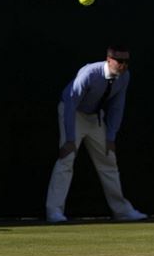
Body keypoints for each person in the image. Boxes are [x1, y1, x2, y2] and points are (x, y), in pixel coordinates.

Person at [45, 44, 147, 223]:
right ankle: (54, 211)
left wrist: (111, 136)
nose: (123, 65)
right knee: (66, 159)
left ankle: (122, 211)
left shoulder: (124, 77)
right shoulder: (89, 73)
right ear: (109, 60)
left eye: (126, 62)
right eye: (120, 61)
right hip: (72, 113)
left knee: (109, 160)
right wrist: (69, 139)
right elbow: (70, 104)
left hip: (95, 118)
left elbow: (117, 106)